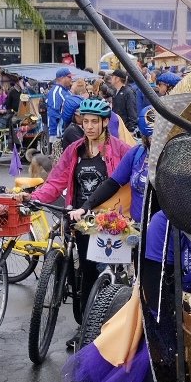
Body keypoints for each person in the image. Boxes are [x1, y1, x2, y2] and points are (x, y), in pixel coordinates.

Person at [27, 98, 129, 324]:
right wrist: (35, 197)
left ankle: (109, 322)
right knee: (87, 271)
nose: (89, 126)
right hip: (80, 218)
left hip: (110, 221)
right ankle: (85, 325)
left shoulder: (121, 150)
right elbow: (56, 182)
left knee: (109, 274)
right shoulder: (74, 150)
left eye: (94, 121)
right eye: (85, 121)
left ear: (105, 123)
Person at [43, 67, 80, 142]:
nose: (71, 79)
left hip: (69, 130)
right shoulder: (55, 92)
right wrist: (54, 135)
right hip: (59, 134)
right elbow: (53, 113)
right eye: (69, 77)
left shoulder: (68, 92)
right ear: (62, 78)